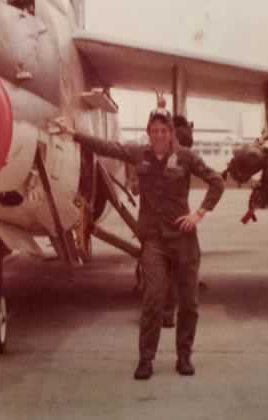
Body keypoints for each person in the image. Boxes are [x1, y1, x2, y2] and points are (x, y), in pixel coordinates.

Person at [53, 110, 224, 380]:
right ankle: (146, 359)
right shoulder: (139, 154)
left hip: (183, 239)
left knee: (189, 302)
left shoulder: (185, 157)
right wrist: (73, 134)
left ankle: (184, 356)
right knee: (153, 298)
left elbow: (217, 182)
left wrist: (199, 213)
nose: (159, 135)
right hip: (154, 240)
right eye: (154, 131)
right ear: (149, 133)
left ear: (171, 133)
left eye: (163, 131)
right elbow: (106, 146)